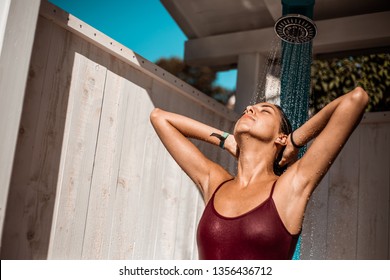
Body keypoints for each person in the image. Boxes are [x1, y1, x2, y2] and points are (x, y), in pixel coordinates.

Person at [150, 87, 368, 260]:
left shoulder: (289, 187)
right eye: (250, 108)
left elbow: (356, 99)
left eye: (265, 110)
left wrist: (295, 140)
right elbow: (160, 118)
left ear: (280, 137)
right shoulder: (215, 183)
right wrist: (226, 140)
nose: (249, 109)